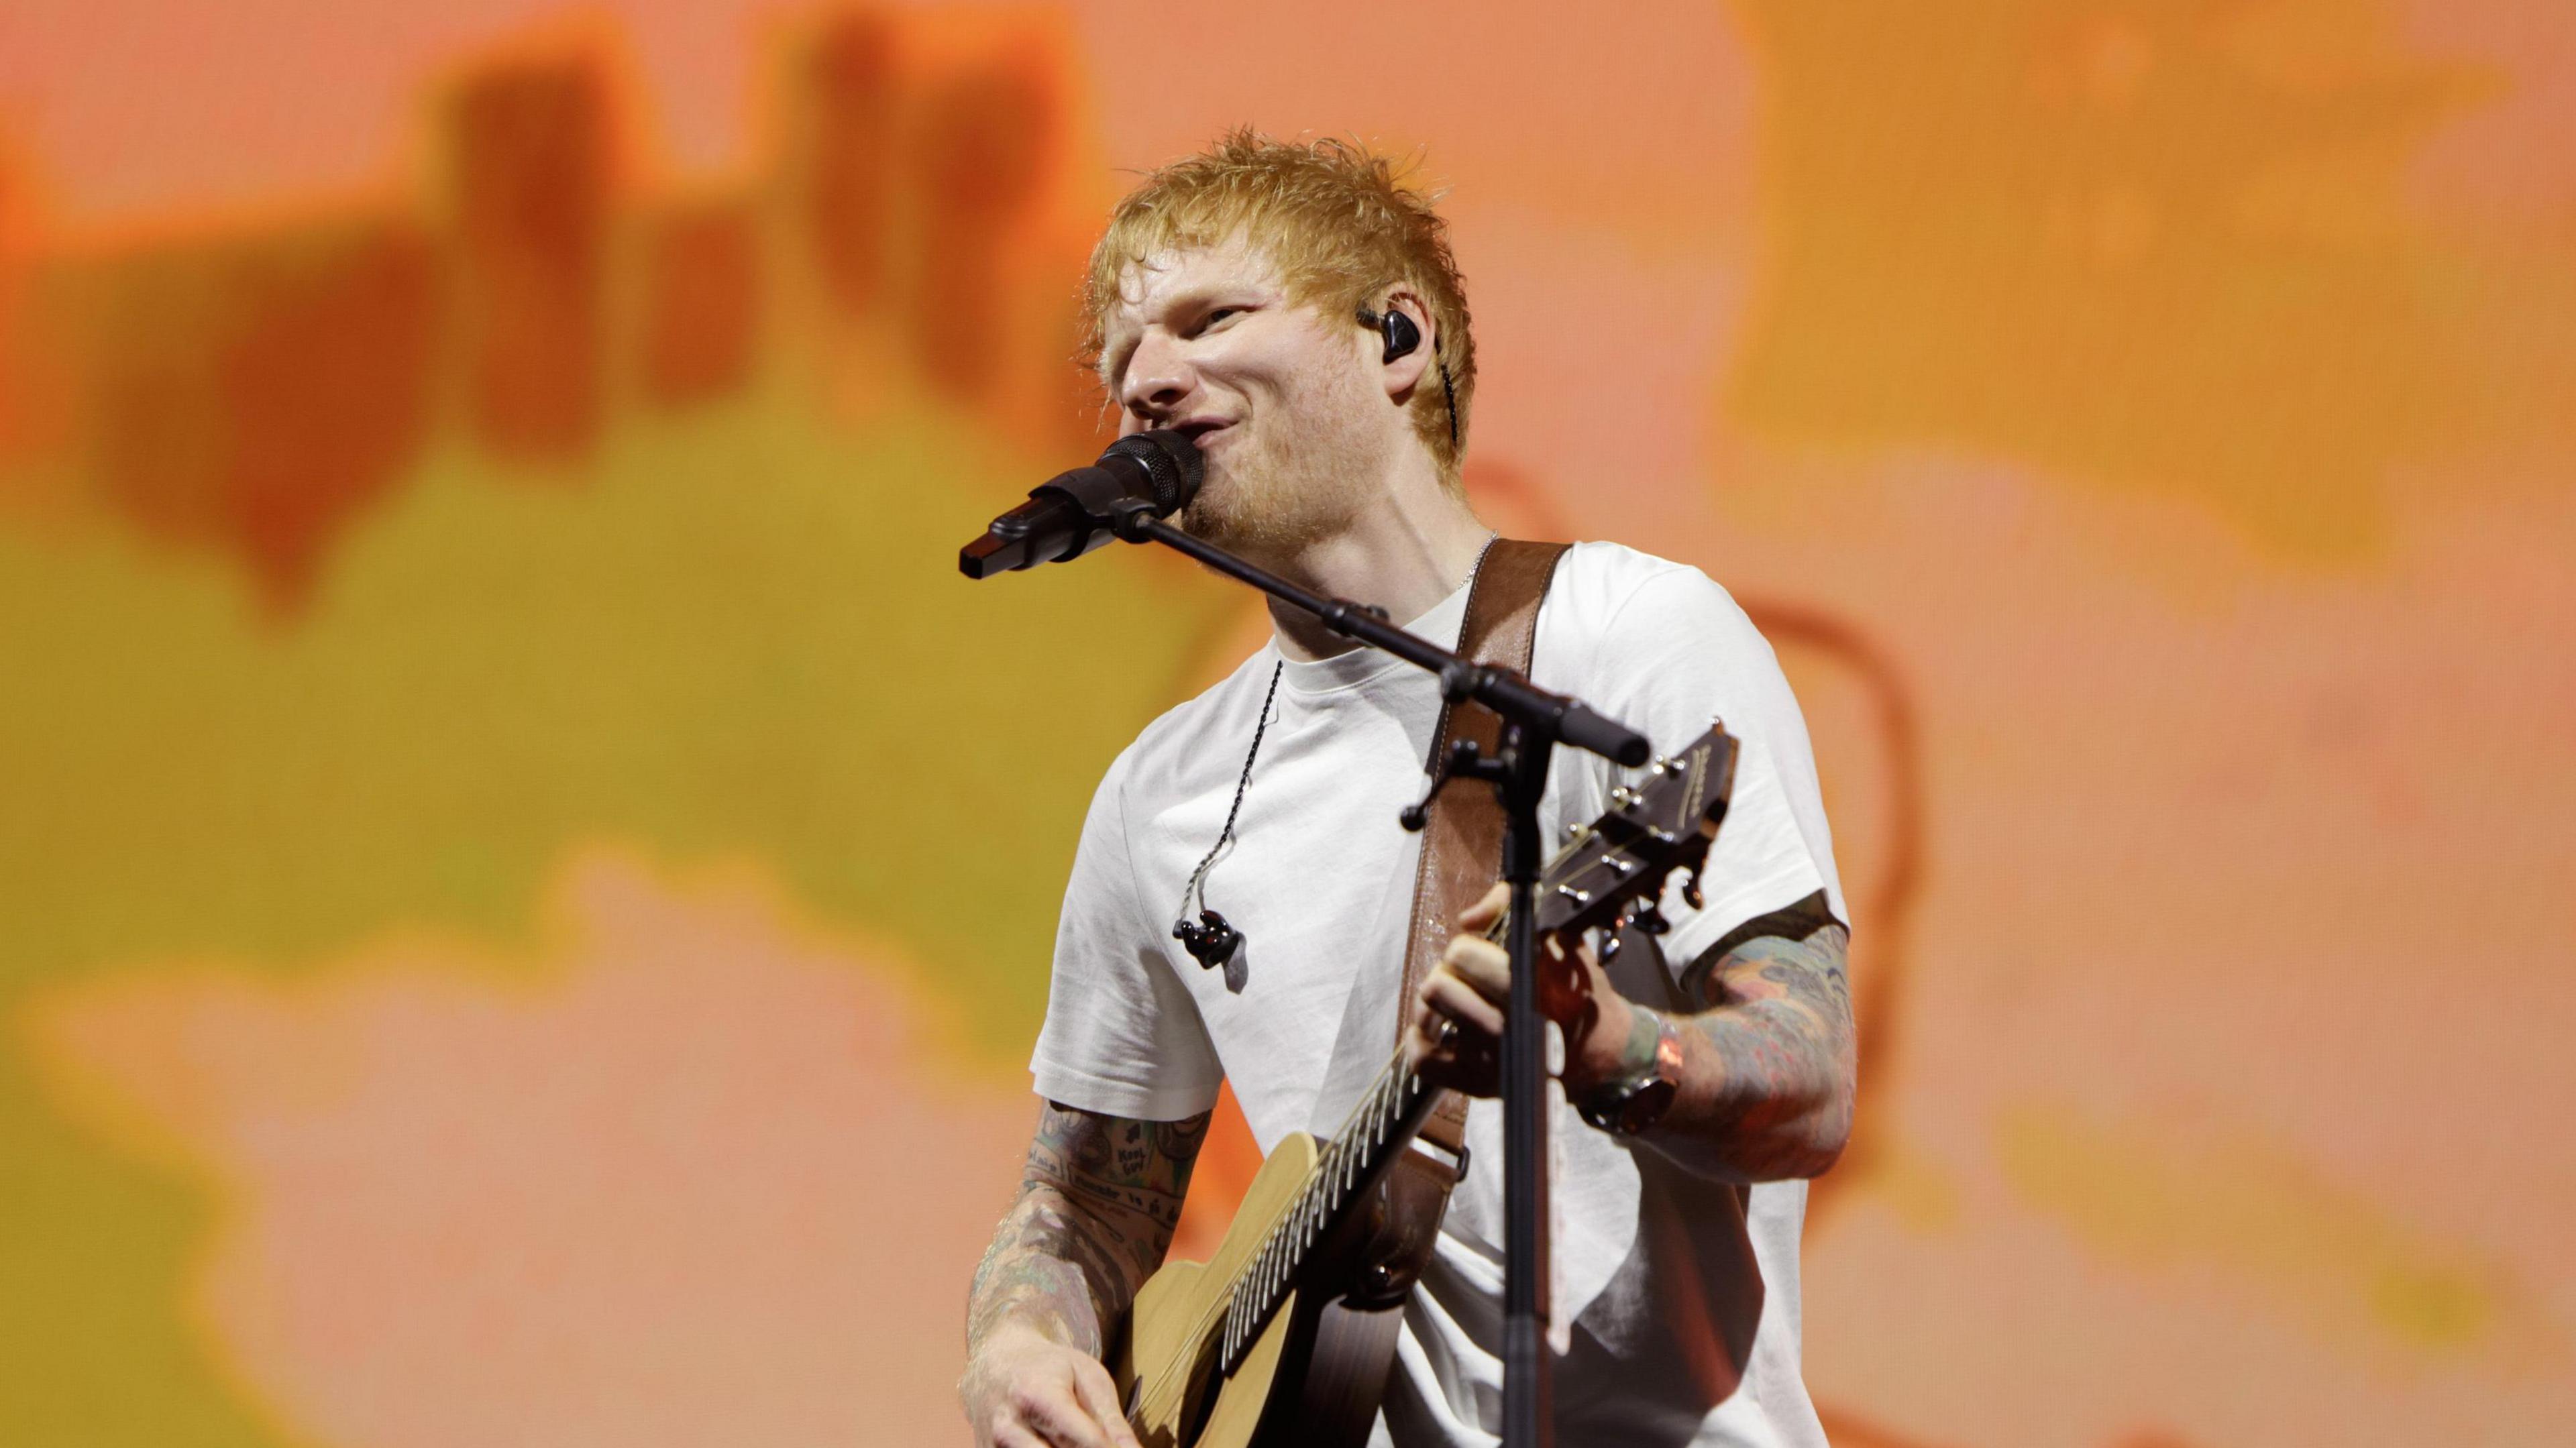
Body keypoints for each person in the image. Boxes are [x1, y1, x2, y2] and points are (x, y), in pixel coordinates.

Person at [959, 129, 1855, 1448]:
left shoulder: (1628, 635)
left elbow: (1811, 1076)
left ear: (1396, 338)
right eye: (1123, 361)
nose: (1146, 380)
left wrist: (1610, 1046)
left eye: (1211, 320)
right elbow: (1087, 1203)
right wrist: (1017, 1338)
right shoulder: (1159, 795)